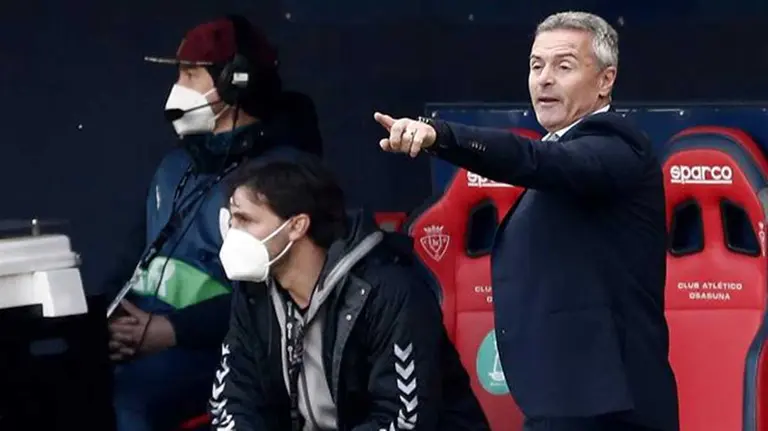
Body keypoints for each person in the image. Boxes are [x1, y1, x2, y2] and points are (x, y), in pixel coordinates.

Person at [373, 11, 679, 431]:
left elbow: (534, 160)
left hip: (609, 408)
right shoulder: (560, 150)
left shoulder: (617, 144)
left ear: (606, 80)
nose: (544, 79)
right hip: (565, 398)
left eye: (563, 66)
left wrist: (441, 135)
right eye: (536, 65)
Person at [103, 15, 322, 431]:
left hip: (224, 351)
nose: (179, 88)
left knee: (130, 397)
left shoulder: (283, 179)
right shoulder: (175, 166)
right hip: (142, 342)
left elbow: (282, 295)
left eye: (190, 74)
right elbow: (130, 260)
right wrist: (108, 323)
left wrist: (173, 330)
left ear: (235, 83)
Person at [208, 158, 490, 431]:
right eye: (231, 220)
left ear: (297, 226)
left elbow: (403, 419)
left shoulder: (389, 292)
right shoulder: (254, 292)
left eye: (244, 220)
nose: (233, 233)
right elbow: (233, 399)